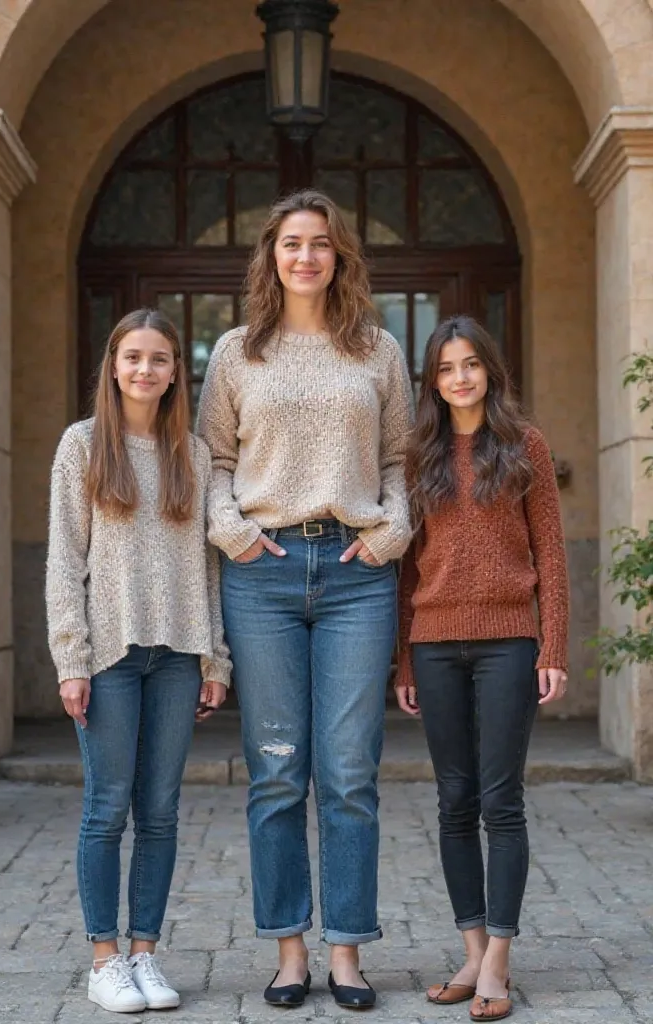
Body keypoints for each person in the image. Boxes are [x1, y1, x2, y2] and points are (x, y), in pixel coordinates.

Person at [198, 189, 414, 1011]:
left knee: (351, 773)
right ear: (271, 255)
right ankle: (290, 952)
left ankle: (349, 954)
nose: (306, 257)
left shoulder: (378, 351)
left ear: (339, 257)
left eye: (320, 244)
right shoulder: (235, 352)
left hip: (360, 572)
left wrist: (391, 533)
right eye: (292, 243)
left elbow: (400, 459)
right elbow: (215, 459)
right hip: (265, 574)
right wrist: (233, 533)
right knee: (278, 773)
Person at [46, 308, 231, 1014]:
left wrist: (216, 660)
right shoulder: (83, 445)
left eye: (159, 358)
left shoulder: (196, 452)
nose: (145, 370)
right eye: (133, 357)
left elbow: (209, 568)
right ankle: (103, 958)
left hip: (179, 654)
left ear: (176, 370)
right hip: (111, 656)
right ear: (113, 365)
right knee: (105, 809)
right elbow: (66, 561)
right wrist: (72, 658)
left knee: (159, 812)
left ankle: (146, 953)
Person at [395, 315, 569, 1021]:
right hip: (435, 646)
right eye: (446, 368)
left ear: (490, 370)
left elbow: (552, 554)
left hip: (508, 645)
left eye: (471, 364)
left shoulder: (524, 445)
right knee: (453, 800)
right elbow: (408, 568)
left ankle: (498, 957)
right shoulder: (420, 452)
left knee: (502, 800)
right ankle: (470, 950)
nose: (460, 377)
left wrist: (551, 646)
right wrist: (404, 658)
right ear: (432, 382)